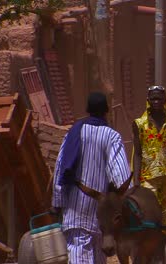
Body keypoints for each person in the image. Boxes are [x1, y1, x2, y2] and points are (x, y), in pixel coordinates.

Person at [51, 92, 131, 263]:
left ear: (88, 110)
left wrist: (57, 202)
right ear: (106, 112)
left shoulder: (74, 132)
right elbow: (121, 177)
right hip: (101, 212)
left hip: (74, 207)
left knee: (79, 252)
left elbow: (60, 167)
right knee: (98, 254)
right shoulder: (112, 136)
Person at [131, 85, 166, 224]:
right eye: (153, 99)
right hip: (148, 177)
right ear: (148, 100)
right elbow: (137, 153)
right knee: (149, 216)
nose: (156, 101)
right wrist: (136, 182)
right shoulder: (139, 124)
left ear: (165, 100)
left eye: (159, 98)